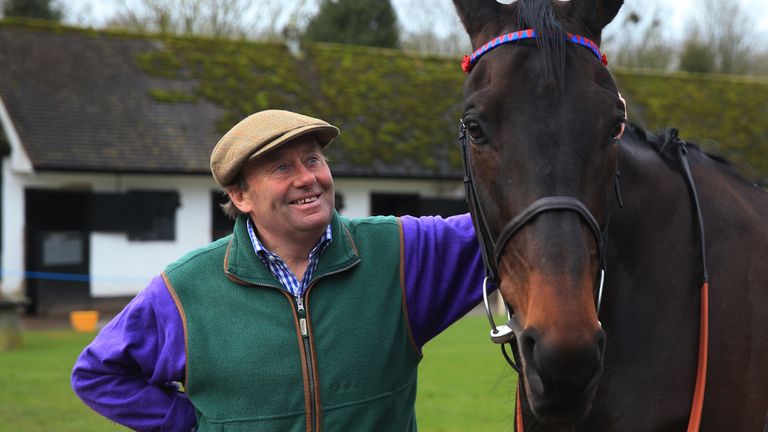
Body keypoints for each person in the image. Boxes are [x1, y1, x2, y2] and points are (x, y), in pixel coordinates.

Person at [71, 110, 485, 431]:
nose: (307, 178)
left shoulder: (402, 251)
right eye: (281, 168)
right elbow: (98, 373)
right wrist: (192, 424)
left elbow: (505, 226)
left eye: (313, 159)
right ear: (240, 196)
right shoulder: (186, 288)